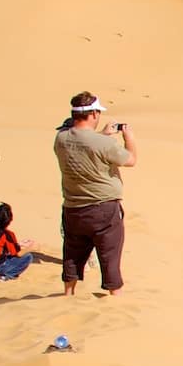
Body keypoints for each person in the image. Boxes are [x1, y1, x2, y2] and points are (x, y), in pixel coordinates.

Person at [53, 91, 137, 296]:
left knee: (72, 255)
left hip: (73, 208)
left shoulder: (61, 138)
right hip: (103, 208)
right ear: (93, 114)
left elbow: (83, 144)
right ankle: (115, 298)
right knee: (110, 257)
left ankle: (68, 296)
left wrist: (102, 135)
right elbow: (131, 159)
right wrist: (129, 138)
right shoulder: (103, 143)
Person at [0, 203, 38, 281]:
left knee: (6, 256)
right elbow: (18, 254)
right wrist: (31, 248)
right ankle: (6, 275)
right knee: (28, 256)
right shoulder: (7, 234)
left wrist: (19, 244)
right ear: (10, 219)